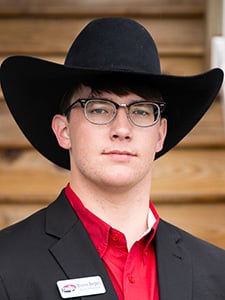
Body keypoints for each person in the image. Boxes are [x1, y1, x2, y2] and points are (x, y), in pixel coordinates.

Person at [0, 17, 225, 300]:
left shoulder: (218, 275)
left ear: (160, 134)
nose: (121, 129)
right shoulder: (6, 266)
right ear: (64, 130)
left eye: (141, 110)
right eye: (98, 109)